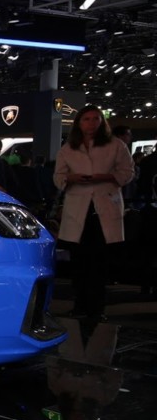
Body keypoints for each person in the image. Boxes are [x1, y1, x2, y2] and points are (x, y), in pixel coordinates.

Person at [54, 105, 135, 321]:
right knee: (79, 261)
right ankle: (79, 305)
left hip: (104, 206)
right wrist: (70, 179)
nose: (91, 123)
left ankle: (97, 308)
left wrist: (107, 177)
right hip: (78, 207)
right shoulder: (68, 148)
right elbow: (58, 177)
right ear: (79, 123)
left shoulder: (115, 145)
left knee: (100, 261)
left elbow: (128, 172)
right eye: (86, 119)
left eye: (95, 119)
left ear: (102, 122)